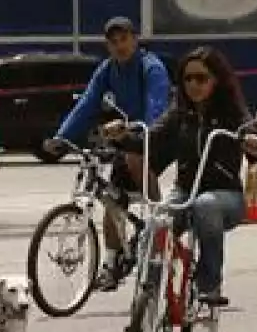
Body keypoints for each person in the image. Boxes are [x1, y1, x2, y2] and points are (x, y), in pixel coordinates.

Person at [103, 45, 257, 307]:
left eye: (201, 78)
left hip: (226, 198)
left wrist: (254, 142)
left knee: (206, 205)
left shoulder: (231, 113)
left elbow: (250, 131)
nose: (194, 85)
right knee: (156, 224)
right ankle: (148, 296)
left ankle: (209, 285)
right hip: (184, 192)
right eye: (188, 79)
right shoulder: (179, 114)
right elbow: (149, 139)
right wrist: (123, 136)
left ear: (216, 80)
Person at [44, 16, 172, 291]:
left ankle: (157, 216)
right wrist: (62, 137)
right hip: (127, 138)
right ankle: (111, 263)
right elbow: (88, 104)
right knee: (111, 197)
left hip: (158, 135)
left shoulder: (151, 68)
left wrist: (135, 129)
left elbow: (157, 106)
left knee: (135, 159)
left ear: (135, 39)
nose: (119, 46)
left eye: (124, 39)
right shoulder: (107, 70)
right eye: (113, 42)